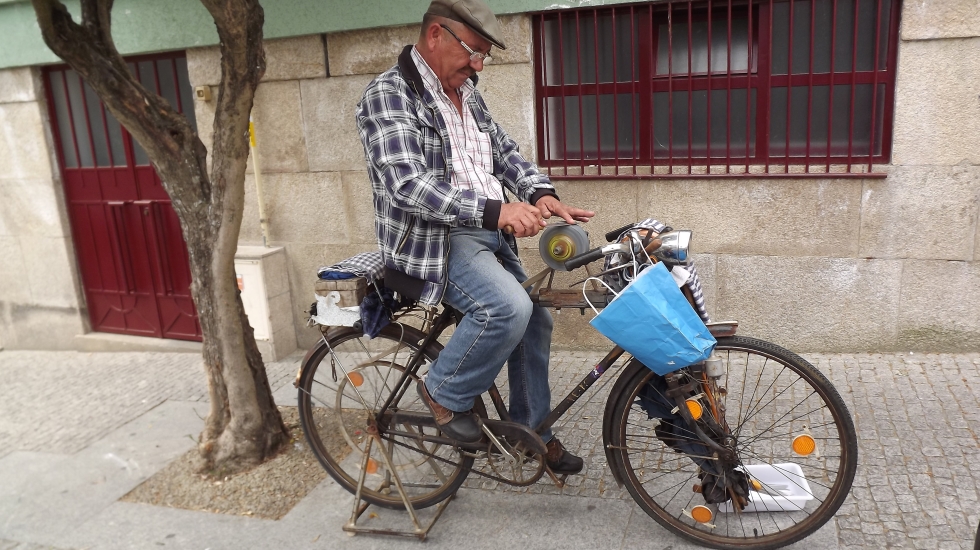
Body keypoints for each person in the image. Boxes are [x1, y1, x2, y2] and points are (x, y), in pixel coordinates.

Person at [355, 0, 594, 475]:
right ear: (436, 35)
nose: (478, 64)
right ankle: (442, 392)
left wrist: (540, 193)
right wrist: (498, 210)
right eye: (473, 51)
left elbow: (502, 152)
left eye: (485, 55)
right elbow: (407, 185)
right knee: (507, 308)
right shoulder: (388, 95)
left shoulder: (466, 91)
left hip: (487, 232)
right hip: (433, 240)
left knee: (536, 318)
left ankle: (531, 431)